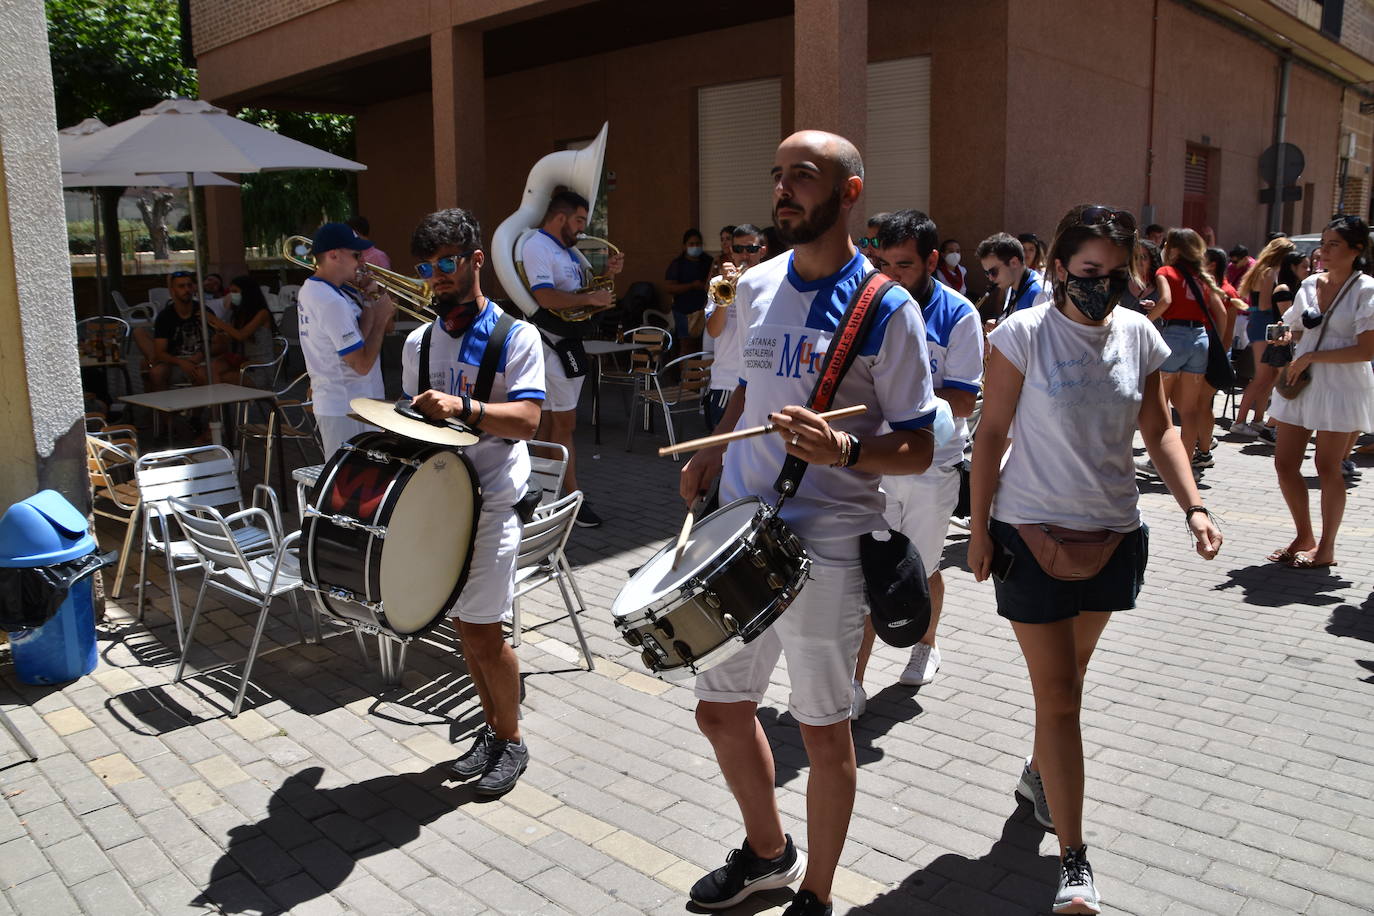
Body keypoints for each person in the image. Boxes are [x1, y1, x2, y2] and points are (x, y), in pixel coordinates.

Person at [679, 130, 938, 916]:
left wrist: (845, 447)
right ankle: (768, 853)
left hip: (826, 542)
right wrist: (715, 451)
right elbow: (748, 392)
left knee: (822, 731)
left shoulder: (886, 307)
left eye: (803, 176)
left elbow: (922, 444)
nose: (783, 190)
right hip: (740, 530)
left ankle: (817, 896)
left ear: (849, 192)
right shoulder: (755, 286)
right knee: (719, 710)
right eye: (778, 175)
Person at [969, 204, 1222, 916]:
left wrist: (1194, 507)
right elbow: (990, 434)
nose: (1101, 287)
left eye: (1115, 275)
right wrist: (981, 529)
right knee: (1062, 697)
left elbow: (1160, 428)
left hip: (1112, 534)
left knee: (1068, 681)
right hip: (1029, 534)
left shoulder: (1139, 333)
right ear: (1057, 268)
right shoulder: (1022, 334)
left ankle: (1037, 775)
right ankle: (1073, 859)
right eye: (1088, 273)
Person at [400, 208, 544, 796]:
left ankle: (510, 741)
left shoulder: (518, 335)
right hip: (442, 504)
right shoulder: (418, 340)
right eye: (427, 266)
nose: (436, 276)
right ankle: (492, 731)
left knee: (485, 632)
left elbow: (531, 419)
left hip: (493, 503)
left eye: (447, 263)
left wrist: (465, 409)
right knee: (464, 626)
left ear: (476, 260)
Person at [852, 208, 983, 714]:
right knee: (869, 572)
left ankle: (925, 646)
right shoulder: (870, 306)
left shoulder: (959, 314)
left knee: (921, 566)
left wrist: (903, 402)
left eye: (903, 265)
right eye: (881, 261)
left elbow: (966, 400)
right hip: (876, 463)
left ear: (932, 260)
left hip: (932, 466)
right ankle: (854, 682)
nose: (889, 275)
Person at [1268, 215, 1374, 569]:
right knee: (1284, 464)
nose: (1322, 251)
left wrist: (1312, 353)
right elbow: (1296, 328)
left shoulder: (1366, 290)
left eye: (1333, 245)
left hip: (1341, 385)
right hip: (1302, 381)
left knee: (1327, 466)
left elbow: (1366, 350)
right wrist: (1285, 335)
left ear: (1356, 250)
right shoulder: (1310, 284)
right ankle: (1304, 535)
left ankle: (1326, 547)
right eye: (1322, 243)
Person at [521, 189, 624, 528]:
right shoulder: (538, 245)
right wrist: (593, 296)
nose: (582, 228)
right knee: (561, 425)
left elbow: (588, 295)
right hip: (551, 344)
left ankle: (548, 496)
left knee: (553, 425)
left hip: (565, 344)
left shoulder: (565, 250)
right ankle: (570, 499)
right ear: (560, 217)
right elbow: (544, 295)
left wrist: (608, 276)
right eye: (579, 220)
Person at [297, 221, 395, 457]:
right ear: (334, 255)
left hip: (351, 404)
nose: (361, 261)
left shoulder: (326, 290)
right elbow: (361, 364)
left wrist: (371, 302)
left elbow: (358, 336)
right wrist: (381, 320)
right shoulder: (330, 300)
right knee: (352, 486)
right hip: (347, 407)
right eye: (356, 254)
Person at [1140, 228, 1227, 472]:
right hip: (1199, 338)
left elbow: (1166, 300)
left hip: (1174, 339)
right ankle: (1185, 464)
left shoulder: (1165, 271)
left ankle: (1158, 462)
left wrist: (1145, 321)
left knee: (1160, 405)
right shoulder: (1201, 276)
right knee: (1189, 410)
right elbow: (1218, 313)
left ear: (1174, 249)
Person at [704, 224, 768, 430]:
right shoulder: (718, 282)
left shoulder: (772, 284)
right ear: (731, 251)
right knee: (720, 455)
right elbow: (713, 331)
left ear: (762, 251)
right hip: (726, 383)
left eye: (751, 249)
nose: (745, 255)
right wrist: (727, 290)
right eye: (739, 249)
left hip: (759, 384)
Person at [1232, 237, 1297, 438]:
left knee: (1269, 376)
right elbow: (1264, 305)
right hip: (1263, 324)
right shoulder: (1269, 272)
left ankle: (1258, 419)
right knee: (1261, 376)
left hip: (1264, 324)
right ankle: (1240, 421)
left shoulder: (1264, 270)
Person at [208, 275, 277, 387]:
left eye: (235, 291)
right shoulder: (240, 313)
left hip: (258, 369)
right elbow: (232, 336)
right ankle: (220, 404)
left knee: (221, 379)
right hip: (242, 363)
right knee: (214, 368)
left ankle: (220, 403)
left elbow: (241, 335)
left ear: (247, 292)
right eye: (230, 292)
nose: (232, 295)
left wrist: (217, 321)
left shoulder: (262, 313)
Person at [148, 270, 209, 391]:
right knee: (157, 373)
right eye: (181, 286)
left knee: (202, 375)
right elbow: (160, 352)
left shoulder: (203, 311)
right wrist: (181, 362)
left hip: (200, 362)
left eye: (189, 285)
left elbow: (219, 343)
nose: (186, 289)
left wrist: (201, 355)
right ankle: (167, 409)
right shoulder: (165, 316)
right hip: (174, 362)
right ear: (172, 290)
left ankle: (193, 410)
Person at [663, 228, 714, 354]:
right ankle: (685, 373)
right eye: (691, 244)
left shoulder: (708, 262)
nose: (695, 247)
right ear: (684, 246)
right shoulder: (678, 264)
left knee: (704, 346)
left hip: (703, 310)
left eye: (698, 244)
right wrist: (691, 285)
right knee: (686, 347)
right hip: (683, 312)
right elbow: (669, 287)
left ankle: (699, 373)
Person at [978, 233, 1042, 319]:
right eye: (987, 273)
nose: (991, 278)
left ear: (1014, 263)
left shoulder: (1039, 293)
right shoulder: (1013, 285)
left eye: (993, 271)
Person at [1129, 239, 1163, 313]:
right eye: (1135, 257)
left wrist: (1156, 309)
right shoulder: (1122, 282)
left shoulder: (1161, 283)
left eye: (1144, 257)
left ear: (1152, 260)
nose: (1138, 261)